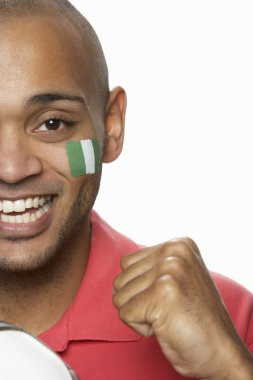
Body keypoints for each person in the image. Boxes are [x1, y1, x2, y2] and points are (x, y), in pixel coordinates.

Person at [0, 1, 252, 379]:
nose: (12, 168)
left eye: (52, 123)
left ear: (111, 128)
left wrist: (229, 368)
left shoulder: (230, 321)